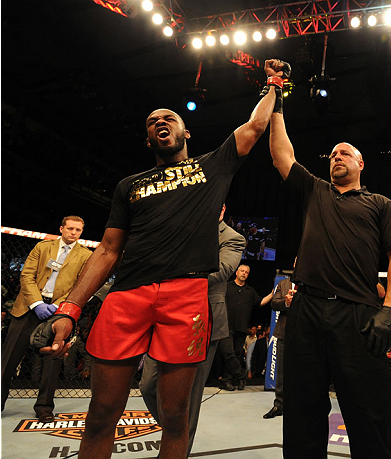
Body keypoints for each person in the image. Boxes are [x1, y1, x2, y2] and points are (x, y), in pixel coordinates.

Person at [39, 59, 286, 459]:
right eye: (152, 122)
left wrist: (274, 84)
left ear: (185, 130)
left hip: (186, 296)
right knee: (101, 413)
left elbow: (255, 127)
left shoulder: (211, 167)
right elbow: (107, 250)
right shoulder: (129, 186)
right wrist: (69, 308)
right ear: (148, 139)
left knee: (175, 418)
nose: (160, 123)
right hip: (127, 295)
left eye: (168, 118)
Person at [269, 96, 391, 458]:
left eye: (345, 153)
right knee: (302, 412)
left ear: (360, 164)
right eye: (333, 154)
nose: (337, 157)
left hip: (358, 315)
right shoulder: (315, 190)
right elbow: (281, 155)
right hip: (306, 310)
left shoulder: (379, 204)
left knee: (370, 413)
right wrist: (276, 100)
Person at [138, 204, 245, 456]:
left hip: (204, 321)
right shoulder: (183, 228)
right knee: (148, 385)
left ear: (222, 209)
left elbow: (222, 271)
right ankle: (175, 434)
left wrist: (174, 272)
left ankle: (178, 451)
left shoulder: (232, 237)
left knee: (189, 397)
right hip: (168, 316)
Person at [1, 216, 92, 422]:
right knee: (8, 360)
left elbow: (79, 286)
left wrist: (57, 306)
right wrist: (37, 303)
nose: (74, 233)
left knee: (53, 361)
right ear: (61, 228)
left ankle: (44, 407)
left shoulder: (85, 255)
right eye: (70, 228)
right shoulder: (42, 248)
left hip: (59, 311)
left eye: (78, 230)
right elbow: (27, 275)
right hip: (27, 307)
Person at [219, 264, 271, 391]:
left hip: (242, 328)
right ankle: (241, 375)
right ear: (236, 272)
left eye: (247, 272)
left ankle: (228, 380)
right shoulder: (227, 286)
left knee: (237, 354)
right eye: (242, 271)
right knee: (227, 352)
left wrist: (273, 293)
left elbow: (260, 302)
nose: (244, 273)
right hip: (226, 326)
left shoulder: (250, 291)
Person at [263, 269, 296, 419]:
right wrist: (286, 303)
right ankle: (279, 404)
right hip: (283, 332)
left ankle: (297, 406)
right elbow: (274, 304)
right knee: (281, 371)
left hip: (303, 334)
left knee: (301, 372)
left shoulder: (309, 284)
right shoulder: (283, 284)